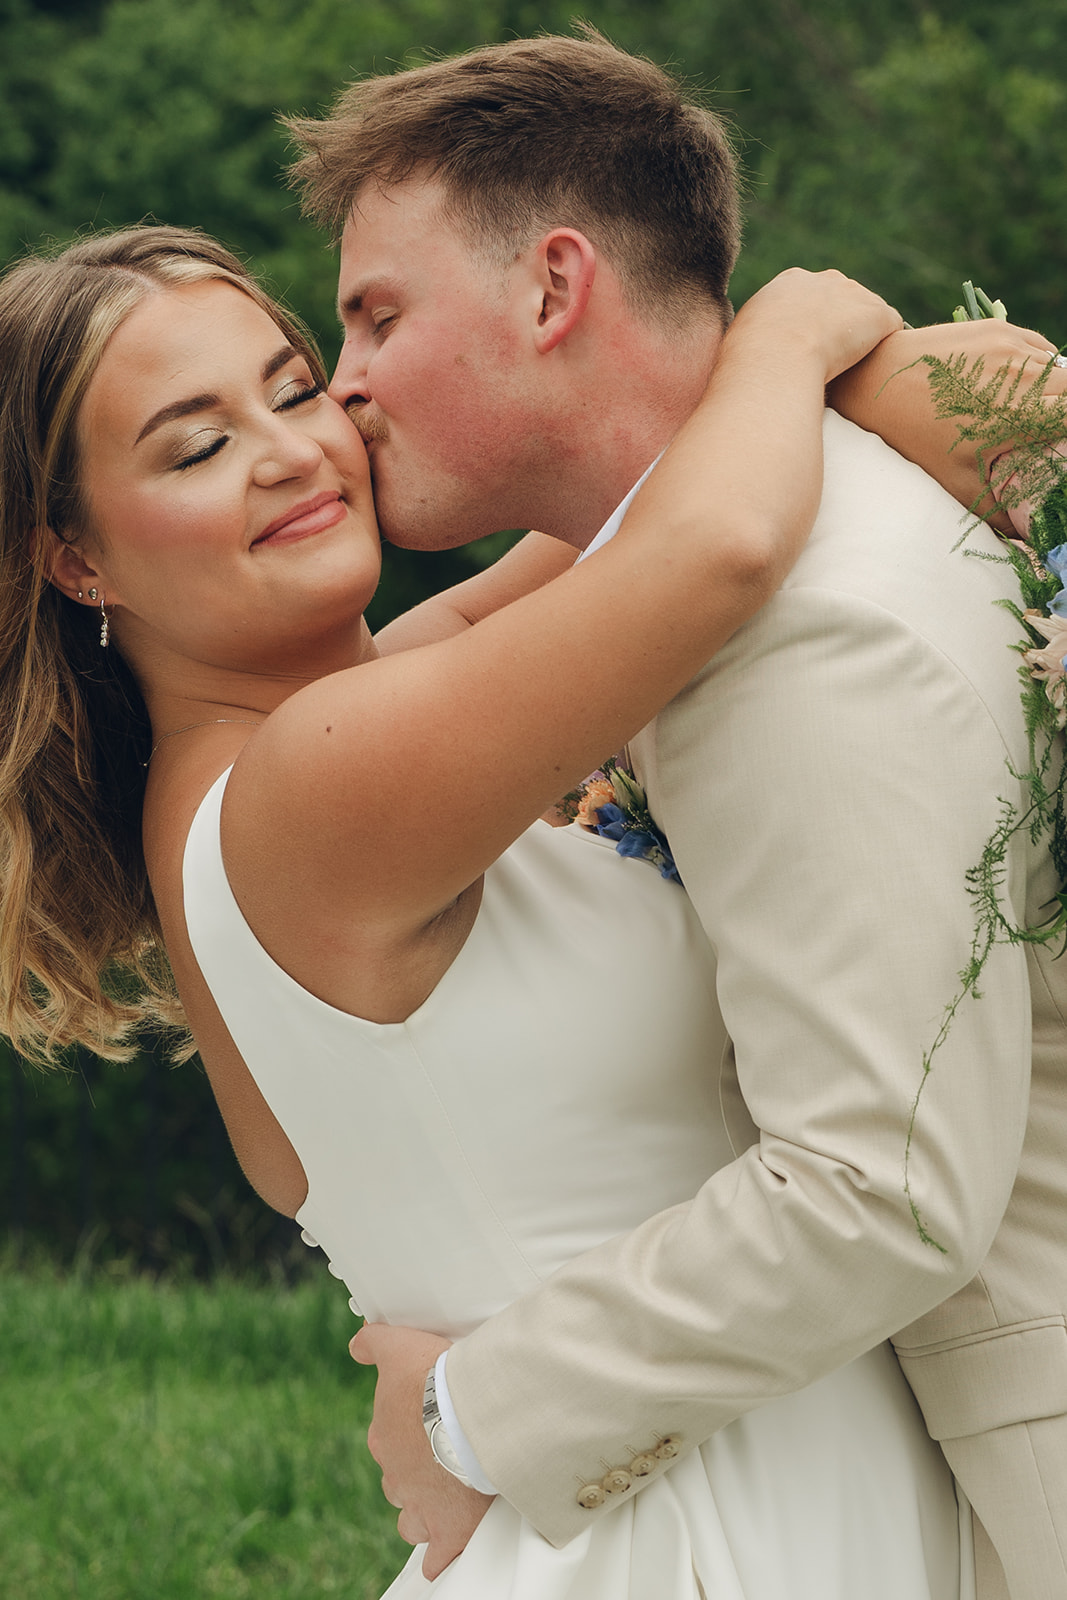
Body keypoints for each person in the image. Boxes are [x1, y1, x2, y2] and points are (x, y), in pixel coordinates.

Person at [4, 224, 988, 1597]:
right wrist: (794, 326)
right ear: (76, 561)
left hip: (692, 1457)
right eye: (192, 447)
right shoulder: (310, 790)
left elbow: (645, 491)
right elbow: (710, 541)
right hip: (698, 1526)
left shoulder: (338, 733)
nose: (289, 451)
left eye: (293, 391)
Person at [286, 32, 1067, 1600]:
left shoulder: (800, 635)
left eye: (378, 313)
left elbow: (878, 1190)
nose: (345, 379)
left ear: (553, 289)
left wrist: (470, 1412)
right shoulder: (718, 561)